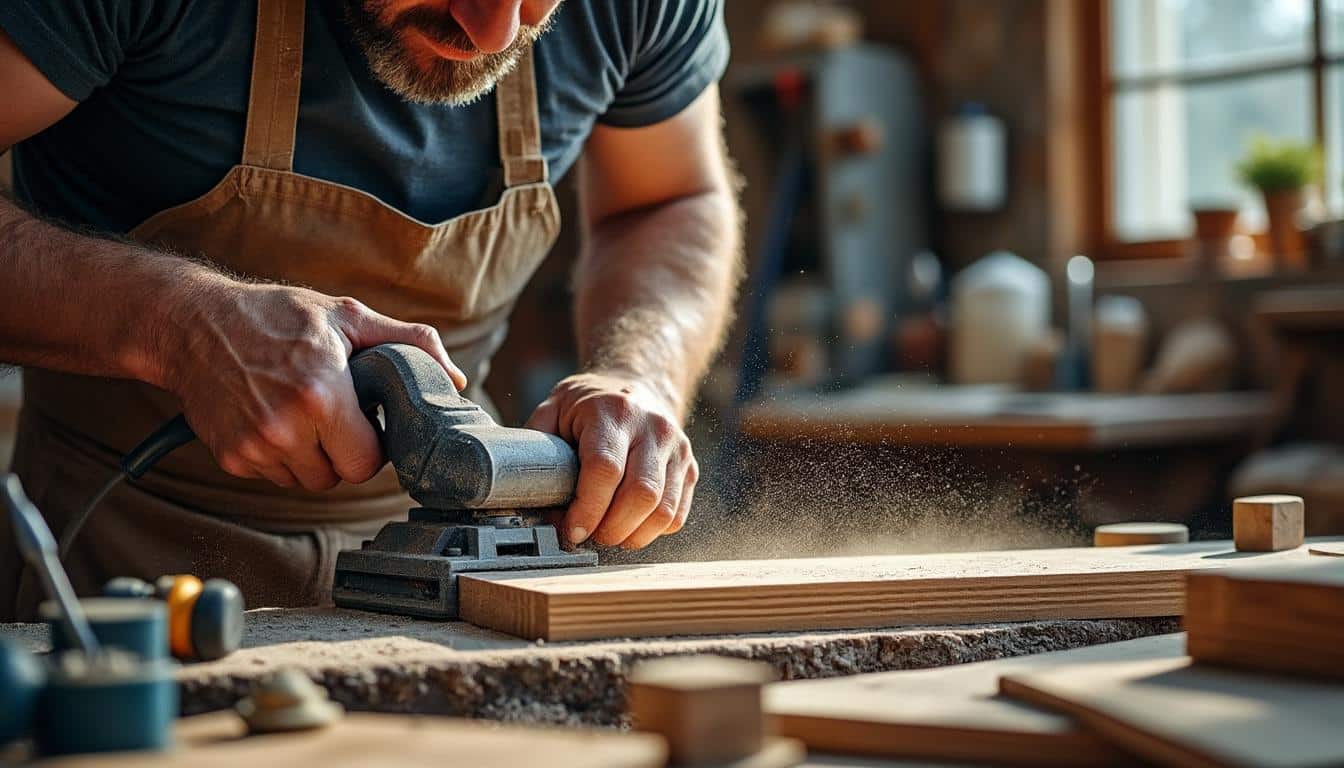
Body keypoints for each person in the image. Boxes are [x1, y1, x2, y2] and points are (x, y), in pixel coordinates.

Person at [0, 0, 740, 619]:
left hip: (456, 573)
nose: (496, 33)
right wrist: (178, 325)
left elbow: (669, 200)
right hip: (116, 548)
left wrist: (639, 372)